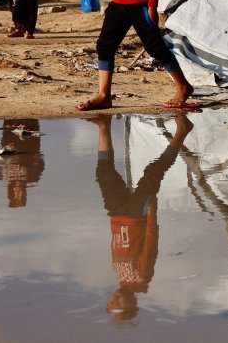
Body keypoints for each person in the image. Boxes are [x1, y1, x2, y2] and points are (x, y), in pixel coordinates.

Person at [86, 113, 192, 321]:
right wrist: (152, 214)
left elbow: (116, 243)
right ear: (132, 303)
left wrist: (113, 221)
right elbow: (151, 244)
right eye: (119, 304)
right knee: (153, 171)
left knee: (104, 173)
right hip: (137, 215)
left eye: (111, 303)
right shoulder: (142, 277)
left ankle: (103, 127)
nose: (114, 300)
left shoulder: (120, 278)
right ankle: (182, 132)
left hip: (116, 215)